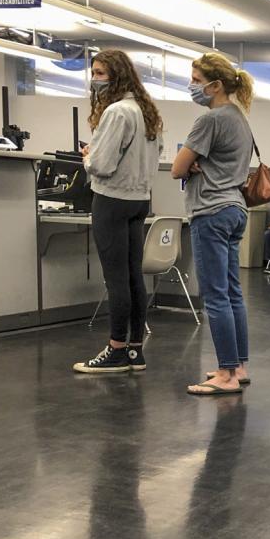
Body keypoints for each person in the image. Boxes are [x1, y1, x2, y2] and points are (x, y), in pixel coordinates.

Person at [73, 50, 163, 373]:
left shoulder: (116, 112)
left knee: (116, 280)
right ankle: (135, 350)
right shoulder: (146, 111)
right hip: (139, 200)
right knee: (133, 275)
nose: (94, 79)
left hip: (111, 200)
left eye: (100, 73)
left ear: (117, 76)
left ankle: (116, 349)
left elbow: (101, 164)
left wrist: (88, 156)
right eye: (93, 72)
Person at [171, 52, 255, 394]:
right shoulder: (239, 118)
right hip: (235, 209)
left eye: (195, 80)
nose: (192, 86)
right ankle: (239, 366)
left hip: (210, 210)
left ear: (215, 85)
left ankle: (225, 375)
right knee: (233, 293)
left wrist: (190, 164)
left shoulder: (210, 120)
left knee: (215, 295)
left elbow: (177, 167)